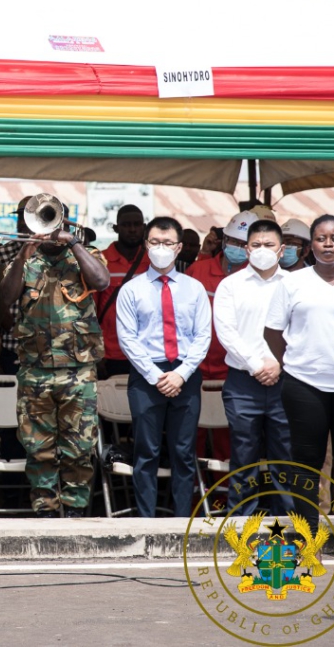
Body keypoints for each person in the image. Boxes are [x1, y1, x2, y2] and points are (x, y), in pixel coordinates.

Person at [265, 215, 334, 568]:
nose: (328, 244)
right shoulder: (292, 284)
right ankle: (306, 538)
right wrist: (295, 365)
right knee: (306, 464)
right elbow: (273, 333)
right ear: (310, 245)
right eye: (321, 238)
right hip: (303, 385)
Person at [0, 203, 109, 517]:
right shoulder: (23, 259)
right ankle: (45, 511)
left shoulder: (85, 253)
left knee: (79, 448)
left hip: (78, 370)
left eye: (50, 218)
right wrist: (24, 253)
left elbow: (101, 282)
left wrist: (72, 242)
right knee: (38, 449)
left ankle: (75, 511)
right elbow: (6, 297)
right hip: (35, 371)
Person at [117, 216, 211, 517]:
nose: (161, 248)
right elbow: (127, 339)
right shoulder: (131, 289)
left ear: (179, 247)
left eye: (168, 243)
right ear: (146, 244)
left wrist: (181, 374)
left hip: (185, 374)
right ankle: (147, 521)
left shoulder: (194, 288)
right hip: (147, 375)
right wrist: (157, 376)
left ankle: (182, 520)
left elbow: (203, 335)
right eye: (155, 242)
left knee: (183, 453)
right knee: (146, 452)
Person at [213, 219, 292, 516]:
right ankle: (240, 523)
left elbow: (301, 331)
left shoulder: (294, 285)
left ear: (281, 249)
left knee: (285, 456)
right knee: (243, 456)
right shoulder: (230, 286)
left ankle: (290, 522)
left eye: (269, 245)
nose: (262, 250)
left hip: (285, 381)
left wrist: (279, 365)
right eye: (256, 245)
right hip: (243, 383)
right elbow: (226, 332)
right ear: (246, 249)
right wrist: (258, 365)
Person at [187, 211, 257, 462]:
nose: (236, 248)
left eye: (243, 243)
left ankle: (222, 501)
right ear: (223, 240)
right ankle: (196, 499)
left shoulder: (257, 278)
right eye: (233, 241)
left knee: (229, 445)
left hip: (235, 374)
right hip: (193, 371)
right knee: (191, 441)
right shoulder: (198, 269)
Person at [93, 205, 149, 379]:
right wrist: (96, 354)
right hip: (109, 355)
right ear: (116, 228)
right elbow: (90, 312)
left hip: (146, 354)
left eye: (137, 224)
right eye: (126, 225)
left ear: (144, 227)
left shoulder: (154, 261)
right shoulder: (100, 260)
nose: (132, 229)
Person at [0, 196, 33, 376]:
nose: (22, 223)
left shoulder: (53, 254)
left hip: (48, 347)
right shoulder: (1, 254)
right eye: (20, 217)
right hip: (11, 346)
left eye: (28, 217)